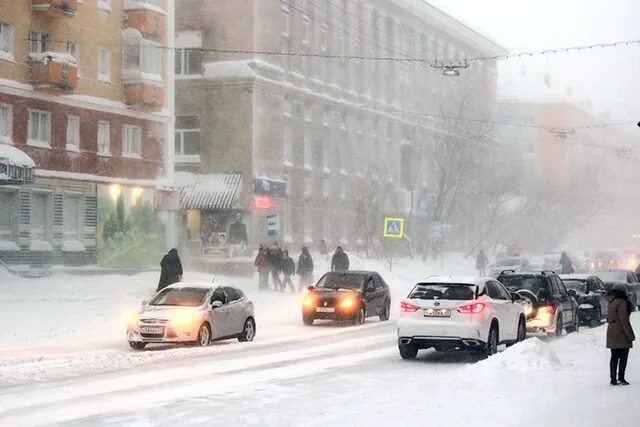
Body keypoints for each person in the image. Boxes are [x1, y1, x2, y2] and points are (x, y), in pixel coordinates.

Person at [607, 283, 635, 385]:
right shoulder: (622, 303)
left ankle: (613, 378)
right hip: (621, 332)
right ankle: (621, 377)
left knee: (614, 356)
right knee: (623, 356)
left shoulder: (611, 302)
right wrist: (630, 335)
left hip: (611, 330)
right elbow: (624, 320)